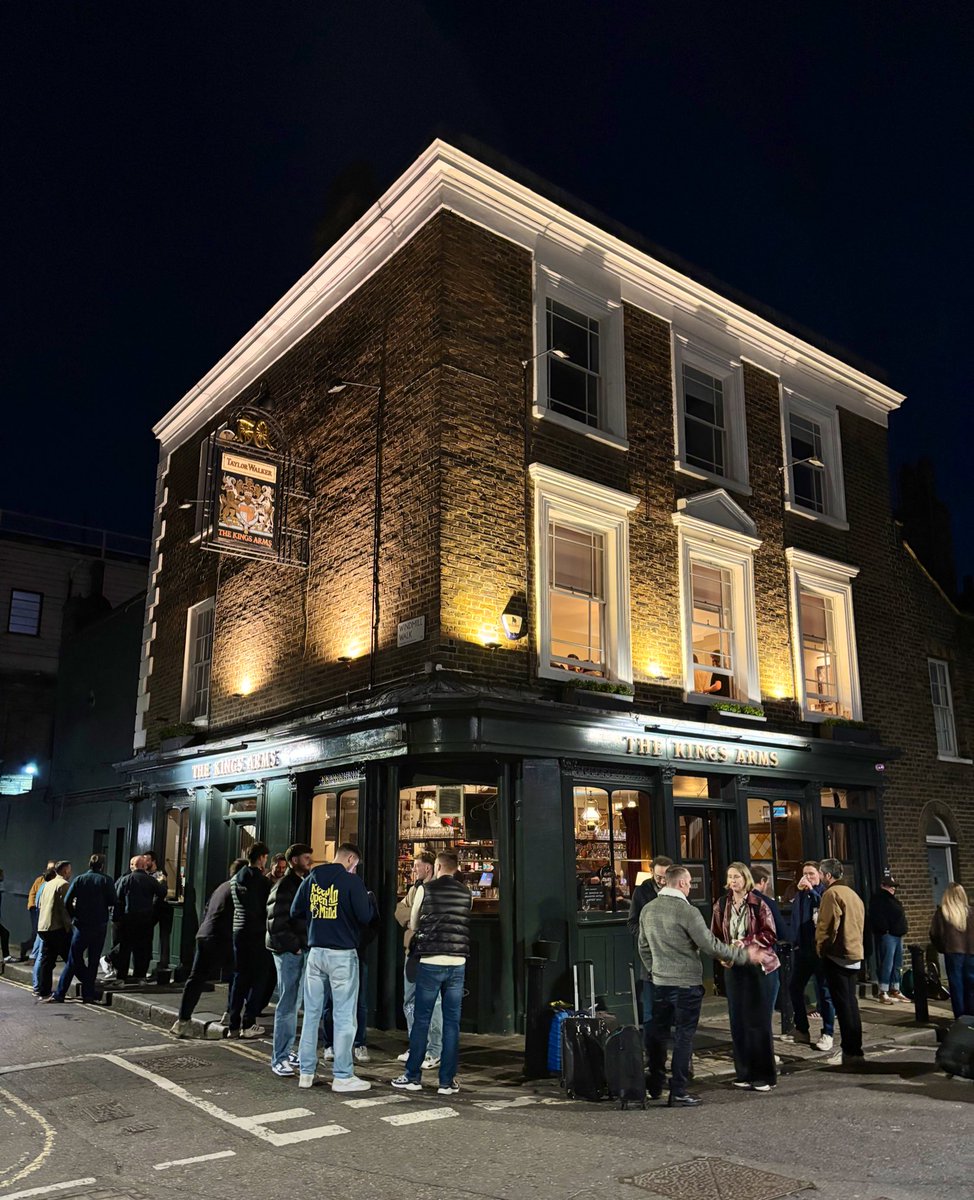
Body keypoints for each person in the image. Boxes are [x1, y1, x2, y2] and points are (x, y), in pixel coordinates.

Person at [639, 864, 761, 1107]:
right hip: (686, 985)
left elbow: (643, 947)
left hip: (660, 983)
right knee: (684, 1037)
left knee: (658, 1035)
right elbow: (710, 945)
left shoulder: (648, 910)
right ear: (683, 884)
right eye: (689, 884)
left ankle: (654, 1085)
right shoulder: (688, 911)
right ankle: (679, 1090)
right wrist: (744, 956)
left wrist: (655, 970)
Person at [290, 842, 375, 1092]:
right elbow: (365, 916)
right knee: (344, 1017)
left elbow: (296, 911)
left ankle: (306, 1072)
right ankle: (342, 1075)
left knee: (311, 1015)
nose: (354, 869)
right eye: (355, 865)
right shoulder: (352, 883)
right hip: (342, 955)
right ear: (350, 859)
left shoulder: (313, 877)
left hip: (316, 953)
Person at [392, 850, 472, 1096]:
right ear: (456, 868)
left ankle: (413, 1076)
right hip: (458, 962)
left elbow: (414, 923)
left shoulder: (425, 890)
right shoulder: (467, 893)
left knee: (422, 1017)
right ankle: (447, 1081)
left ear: (437, 867)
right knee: (452, 1023)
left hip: (431, 959)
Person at [711, 862, 780, 1092]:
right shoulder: (721, 904)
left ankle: (764, 1076)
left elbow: (770, 934)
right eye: (730, 877)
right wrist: (722, 954)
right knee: (738, 1021)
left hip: (757, 966)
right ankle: (744, 1072)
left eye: (737, 877)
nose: (733, 881)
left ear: (746, 879)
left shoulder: (759, 903)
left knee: (758, 1022)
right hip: (734, 967)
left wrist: (747, 942)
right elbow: (716, 936)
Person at [171, 857, 247, 1037]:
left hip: (205, 934)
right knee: (237, 976)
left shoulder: (221, 887)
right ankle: (230, 1014)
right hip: (223, 938)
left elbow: (207, 909)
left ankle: (183, 1020)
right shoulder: (238, 889)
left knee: (196, 978)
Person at [265, 843, 313, 1074]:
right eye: (306, 857)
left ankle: (286, 1051)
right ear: (294, 860)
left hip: (297, 949)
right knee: (287, 1004)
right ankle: (279, 1057)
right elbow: (276, 921)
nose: (309, 861)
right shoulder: (286, 885)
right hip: (289, 952)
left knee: (293, 1004)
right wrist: (294, 947)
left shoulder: (301, 883)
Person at [394, 851, 443, 1072]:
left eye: (417, 866)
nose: (414, 869)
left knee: (434, 1004)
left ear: (429, 868)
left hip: (431, 953)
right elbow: (400, 909)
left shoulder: (438, 890)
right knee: (410, 1001)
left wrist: (417, 921)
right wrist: (414, 922)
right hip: (412, 951)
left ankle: (434, 1051)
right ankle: (417, 1047)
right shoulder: (415, 889)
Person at [816, 858, 865, 1067]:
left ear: (828, 876)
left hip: (838, 955)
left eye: (820, 873)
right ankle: (854, 1049)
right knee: (851, 1004)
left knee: (843, 1005)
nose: (819, 877)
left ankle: (850, 1051)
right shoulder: (853, 894)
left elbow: (826, 925)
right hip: (854, 953)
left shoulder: (831, 894)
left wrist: (821, 948)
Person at [48, 854, 116, 1003]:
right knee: (93, 961)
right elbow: (113, 901)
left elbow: (67, 901)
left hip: (81, 926)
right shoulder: (106, 880)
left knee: (73, 959)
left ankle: (60, 993)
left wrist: (74, 916)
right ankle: (88, 995)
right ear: (102, 866)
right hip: (99, 925)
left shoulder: (79, 879)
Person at [785, 861, 835, 1052]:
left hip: (820, 950)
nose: (807, 877)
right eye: (805, 874)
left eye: (811, 874)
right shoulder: (801, 895)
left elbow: (824, 909)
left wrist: (812, 889)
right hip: (803, 950)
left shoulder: (824, 892)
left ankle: (827, 1033)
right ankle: (802, 1029)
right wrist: (794, 942)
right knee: (794, 987)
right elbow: (796, 919)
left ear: (820, 875)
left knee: (824, 992)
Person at [227, 841, 273, 1039]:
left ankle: (233, 1024)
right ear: (262, 857)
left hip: (239, 930)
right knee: (259, 978)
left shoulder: (235, 878)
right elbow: (266, 907)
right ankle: (249, 1022)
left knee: (240, 976)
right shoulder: (261, 881)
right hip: (257, 932)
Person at [627, 855, 673, 1050]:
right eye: (659, 877)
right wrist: (646, 938)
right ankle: (649, 1048)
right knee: (649, 1006)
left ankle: (667, 1044)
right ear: (652, 871)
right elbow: (632, 922)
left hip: (672, 958)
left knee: (670, 1005)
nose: (662, 881)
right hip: (650, 958)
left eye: (665, 877)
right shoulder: (642, 891)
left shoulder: (676, 888)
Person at [114, 855, 166, 984]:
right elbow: (162, 893)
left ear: (133, 866)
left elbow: (118, 899)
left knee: (125, 948)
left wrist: (116, 918)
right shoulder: (151, 880)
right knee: (143, 949)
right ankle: (140, 976)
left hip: (128, 919)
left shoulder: (126, 880)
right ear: (143, 866)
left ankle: (121, 977)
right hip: (146, 920)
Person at [929, 883, 974, 1018]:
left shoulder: (943, 912)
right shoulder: (971, 912)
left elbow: (934, 934)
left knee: (957, 987)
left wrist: (942, 948)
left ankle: (960, 1018)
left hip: (953, 953)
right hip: (971, 953)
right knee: (971, 986)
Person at [868, 869, 909, 1004]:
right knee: (887, 963)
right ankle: (883, 991)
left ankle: (895, 988)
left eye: (894, 886)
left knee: (897, 963)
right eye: (890, 886)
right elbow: (877, 916)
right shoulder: (879, 899)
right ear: (882, 886)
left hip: (896, 934)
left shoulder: (891, 899)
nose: (892, 888)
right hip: (889, 935)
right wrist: (885, 929)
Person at [37, 860, 73, 998]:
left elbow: (40, 903)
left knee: (47, 960)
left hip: (44, 926)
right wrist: (69, 926)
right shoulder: (63, 884)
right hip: (57, 927)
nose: (70, 872)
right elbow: (66, 907)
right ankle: (87, 984)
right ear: (65, 871)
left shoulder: (48, 884)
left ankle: (43, 990)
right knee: (72, 957)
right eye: (69, 870)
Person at [142, 851, 173, 972]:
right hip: (150, 910)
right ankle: (146, 961)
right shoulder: (145, 874)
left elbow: (160, 891)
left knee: (164, 937)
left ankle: (163, 964)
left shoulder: (160, 874)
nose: (145, 862)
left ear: (153, 861)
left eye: (147, 860)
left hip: (162, 908)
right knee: (146, 935)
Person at [31, 867, 57, 993]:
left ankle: (37, 985)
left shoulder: (42, 887)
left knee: (39, 956)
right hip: (47, 926)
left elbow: (37, 905)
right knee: (41, 957)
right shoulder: (49, 888)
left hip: (41, 925)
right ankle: (38, 986)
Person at [27, 861, 55, 957]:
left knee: (41, 933)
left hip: (45, 911)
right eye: (49, 868)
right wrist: (32, 905)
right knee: (39, 932)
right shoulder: (40, 881)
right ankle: (35, 955)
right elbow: (33, 893)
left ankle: (36, 954)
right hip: (38, 910)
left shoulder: (53, 882)